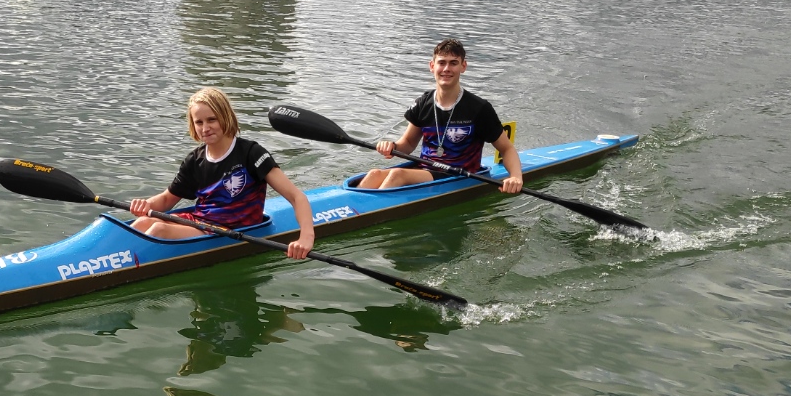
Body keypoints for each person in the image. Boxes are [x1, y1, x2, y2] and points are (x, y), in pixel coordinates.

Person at [129, 88, 315, 260]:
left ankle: (130, 267)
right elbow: (167, 200)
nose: (205, 128)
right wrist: (146, 204)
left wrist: (306, 237)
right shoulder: (195, 160)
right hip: (201, 223)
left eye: (212, 120)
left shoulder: (251, 153)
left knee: (159, 229)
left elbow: (297, 197)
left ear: (225, 117)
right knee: (142, 223)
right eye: (199, 122)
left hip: (232, 229)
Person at [357, 38, 523, 193]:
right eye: (441, 63)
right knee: (374, 174)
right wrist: (392, 147)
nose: (446, 69)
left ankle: (362, 217)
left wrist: (515, 177)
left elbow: (506, 148)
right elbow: (407, 143)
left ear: (463, 66)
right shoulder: (423, 103)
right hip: (426, 169)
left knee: (397, 175)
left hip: (459, 175)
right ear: (432, 66)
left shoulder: (479, 108)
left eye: (453, 63)